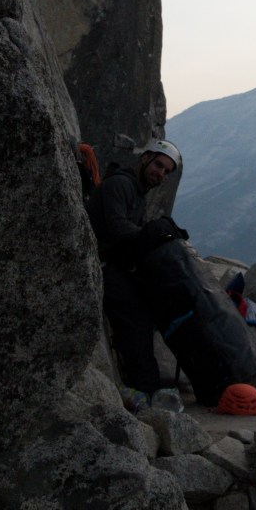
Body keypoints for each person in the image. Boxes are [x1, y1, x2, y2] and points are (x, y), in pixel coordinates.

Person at [86, 139, 182, 407]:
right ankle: (146, 388)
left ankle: (146, 384)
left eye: (166, 171)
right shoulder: (121, 184)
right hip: (100, 264)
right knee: (135, 314)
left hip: (113, 263)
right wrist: (152, 234)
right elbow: (118, 228)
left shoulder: (136, 191)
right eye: (158, 165)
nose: (160, 174)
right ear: (145, 158)